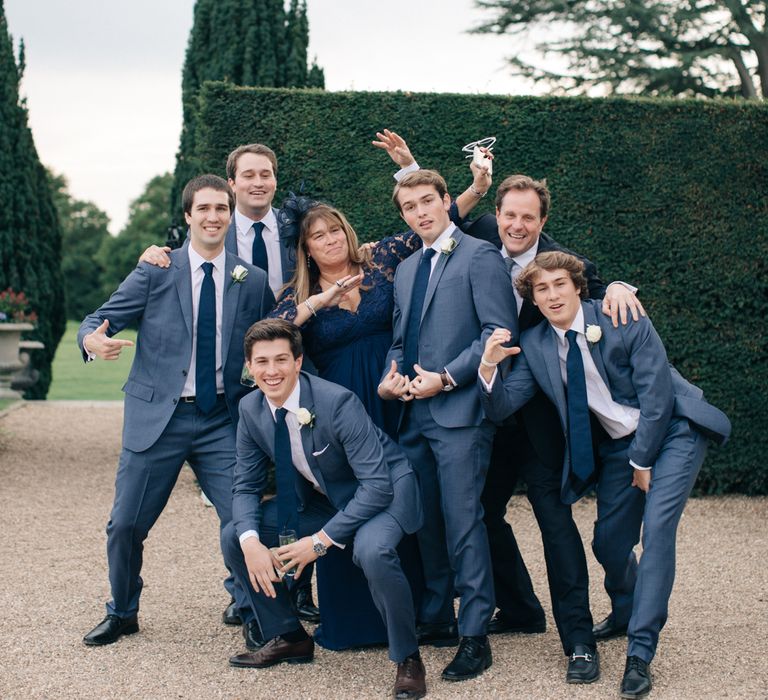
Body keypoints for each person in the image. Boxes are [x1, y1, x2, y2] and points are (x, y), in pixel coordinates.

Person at [265, 138, 492, 649]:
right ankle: (358, 618)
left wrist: (417, 171)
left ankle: (427, 610)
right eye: (316, 236)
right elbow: (270, 333)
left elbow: (436, 218)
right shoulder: (297, 294)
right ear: (305, 247)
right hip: (340, 406)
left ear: (347, 232)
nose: (328, 240)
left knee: (412, 495)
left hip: (397, 395)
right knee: (355, 494)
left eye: (334, 230)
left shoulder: (383, 259)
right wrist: (321, 300)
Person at [478, 251, 731, 694]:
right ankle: (627, 606)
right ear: (533, 300)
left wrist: (642, 461)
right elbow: (501, 405)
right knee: (609, 544)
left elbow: (657, 397)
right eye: (542, 288)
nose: (553, 294)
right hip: (620, 446)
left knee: (656, 533)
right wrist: (487, 365)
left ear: (578, 287)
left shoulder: (622, 315)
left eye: (560, 284)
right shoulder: (536, 345)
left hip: (672, 431)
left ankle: (640, 652)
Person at [78, 174, 275, 646]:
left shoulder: (252, 280)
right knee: (125, 524)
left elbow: (274, 337)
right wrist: (92, 340)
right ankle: (123, 610)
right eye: (203, 209)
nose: (212, 217)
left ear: (231, 216)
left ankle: (252, 611)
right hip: (156, 420)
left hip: (222, 421)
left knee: (242, 521)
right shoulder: (156, 270)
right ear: (188, 216)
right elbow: (97, 319)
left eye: (221, 209)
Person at [463, 176, 644, 666]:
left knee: (555, 526)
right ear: (495, 216)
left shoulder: (570, 266)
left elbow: (602, 294)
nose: (517, 225)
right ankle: (521, 606)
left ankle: (579, 642)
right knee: (479, 513)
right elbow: (437, 218)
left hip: (547, 422)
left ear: (543, 221)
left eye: (528, 217)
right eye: (509, 215)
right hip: (494, 415)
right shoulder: (478, 247)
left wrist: (624, 286)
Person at [221, 319, 427, 700]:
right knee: (236, 534)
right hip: (329, 498)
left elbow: (377, 485)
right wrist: (251, 542)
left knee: (372, 550)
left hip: (387, 491)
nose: (271, 371)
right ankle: (290, 637)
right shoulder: (250, 408)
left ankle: (408, 658)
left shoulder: (337, 401)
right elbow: (245, 485)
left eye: (281, 359)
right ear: (249, 367)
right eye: (261, 362)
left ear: (298, 361)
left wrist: (318, 542)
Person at [379, 169, 517, 682]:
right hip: (412, 413)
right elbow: (399, 340)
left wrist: (447, 378)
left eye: (427, 201)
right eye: (409, 207)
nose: (420, 212)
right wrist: (390, 380)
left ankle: (476, 634)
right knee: (426, 521)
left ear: (444, 201)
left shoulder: (481, 257)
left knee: (464, 522)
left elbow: (497, 333)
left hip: (459, 413)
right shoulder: (408, 268)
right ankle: (438, 614)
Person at [141, 143, 294, 296]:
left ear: (275, 181)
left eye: (266, 175)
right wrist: (150, 261)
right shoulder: (210, 228)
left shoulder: (297, 226)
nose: (258, 183)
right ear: (231, 184)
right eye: (248, 176)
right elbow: (182, 271)